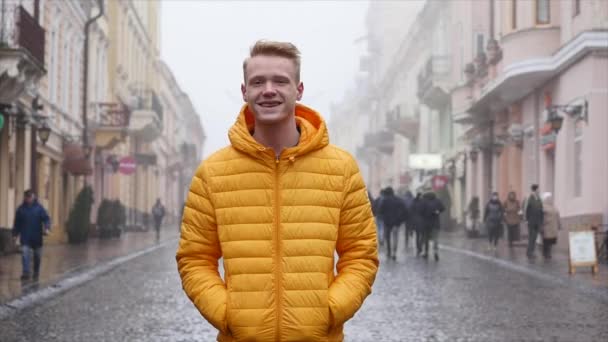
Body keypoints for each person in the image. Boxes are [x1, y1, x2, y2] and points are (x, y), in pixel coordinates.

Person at [176, 40, 379, 342]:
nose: (268, 89)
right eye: (258, 81)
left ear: (298, 90)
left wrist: (329, 310)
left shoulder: (340, 168)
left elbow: (361, 255)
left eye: (280, 81)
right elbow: (195, 258)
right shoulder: (213, 173)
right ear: (245, 91)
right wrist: (227, 314)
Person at [12, 190, 51, 280]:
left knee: (37, 256)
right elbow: (17, 223)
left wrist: (47, 228)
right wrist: (14, 234)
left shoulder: (39, 208)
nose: (28, 198)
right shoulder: (21, 209)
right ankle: (26, 273)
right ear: (25, 198)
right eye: (27, 197)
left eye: (30, 197)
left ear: (33, 197)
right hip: (25, 237)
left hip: (37, 237)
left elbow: (46, 219)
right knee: (25, 254)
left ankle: (36, 271)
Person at [378, 186, 407, 260]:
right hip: (397, 222)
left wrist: (384, 218)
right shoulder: (399, 200)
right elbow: (405, 210)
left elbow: (380, 211)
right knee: (395, 237)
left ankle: (389, 251)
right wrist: (401, 220)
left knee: (388, 237)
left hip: (387, 222)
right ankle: (394, 252)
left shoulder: (385, 200)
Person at [421, 191, 445, 261]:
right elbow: (443, 208)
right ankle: (435, 252)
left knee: (426, 239)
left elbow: (420, 211)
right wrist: (437, 211)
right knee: (435, 239)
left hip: (426, 224)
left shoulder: (424, 202)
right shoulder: (437, 201)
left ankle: (426, 253)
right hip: (435, 223)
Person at [524, 184, 544, 258]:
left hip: (538, 221)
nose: (539, 191)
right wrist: (526, 219)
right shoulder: (530, 198)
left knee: (534, 237)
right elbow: (527, 209)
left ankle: (530, 251)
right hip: (531, 221)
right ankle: (530, 252)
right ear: (535, 190)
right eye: (538, 189)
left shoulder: (538, 199)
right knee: (532, 237)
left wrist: (541, 220)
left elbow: (541, 209)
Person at [540, 192, 560, 259]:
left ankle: (548, 252)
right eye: (549, 198)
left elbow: (558, 216)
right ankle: (546, 253)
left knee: (551, 240)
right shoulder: (543, 206)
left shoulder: (554, 207)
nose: (550, 199)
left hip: (553, 226)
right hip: (546, 226)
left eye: (551, 198)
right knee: (546, 240)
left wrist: (559, 224)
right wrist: (542, 224)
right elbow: (541, 216)